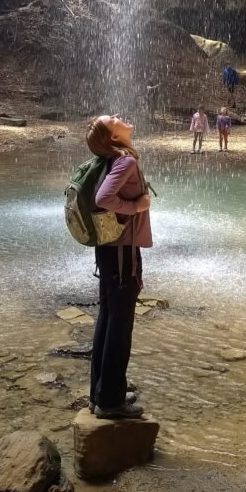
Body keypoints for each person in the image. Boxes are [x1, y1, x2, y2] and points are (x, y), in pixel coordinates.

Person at [86, 114, 151, 420]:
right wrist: (136, 207)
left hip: (109, 249)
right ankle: (111, 401)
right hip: (123, 251)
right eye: (112, 120)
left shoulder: (113, 159)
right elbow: (103, 197)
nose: (118, 117)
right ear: (114, 137)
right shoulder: (124, 161)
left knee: (109, 317)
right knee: (121, 322)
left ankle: (100, 393)